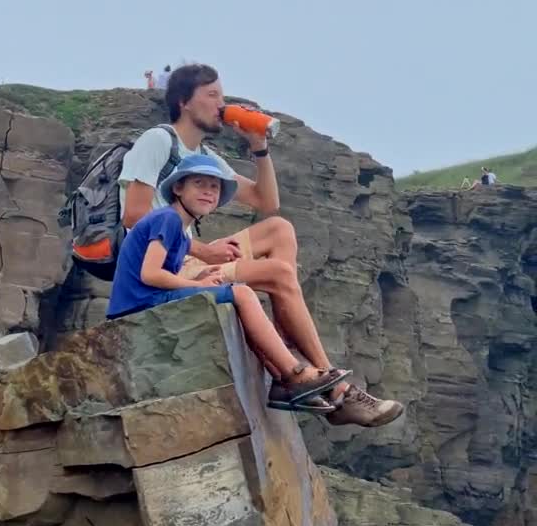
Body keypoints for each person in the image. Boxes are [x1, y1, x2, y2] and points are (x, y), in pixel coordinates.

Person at [119, 63, 403, 427]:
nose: (222, 104)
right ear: (183, 102)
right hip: (174, 264)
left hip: (188, 254)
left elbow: (265, 202)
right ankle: (336, 389)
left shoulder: (204, 155)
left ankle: (285, 343)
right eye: (212, 96)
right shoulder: (158, 141)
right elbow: (133, 216)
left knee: (279, 229)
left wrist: (260, 149)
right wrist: (203, 251)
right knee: (278, 272)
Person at [110, 154, 376, 415]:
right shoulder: (167, 219)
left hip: (146, 299)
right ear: (178, 188)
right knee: (242, 294)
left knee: (236, 295)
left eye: (214, 187)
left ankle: (287, 377)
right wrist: (190, 286)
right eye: (199, 184)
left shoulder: (177, 229)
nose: (208, 192)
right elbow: (150, 275)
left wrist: (200, 281)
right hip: (138, 304)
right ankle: (293, 374)